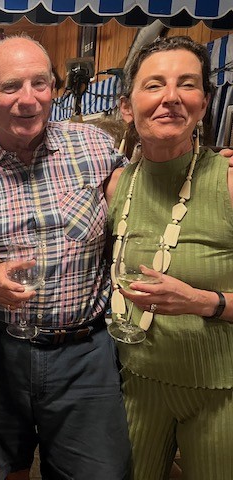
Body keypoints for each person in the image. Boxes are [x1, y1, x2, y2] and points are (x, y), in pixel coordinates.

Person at [0, 35, 131, 480]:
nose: (28, 99)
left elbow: (143, 198)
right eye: (11, 86)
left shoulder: (95, 148)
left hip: (84, 356)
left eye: (39, 83)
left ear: (53, 88)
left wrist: (202, 167)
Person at [105, 36, 233, 480]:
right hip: (134, 384)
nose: (172, 97)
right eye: (155, 84)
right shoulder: (117, 185)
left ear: (204, 103)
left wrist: (204, 302)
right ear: (127, 107)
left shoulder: (228, 181)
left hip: (220, 392)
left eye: (188, 84)